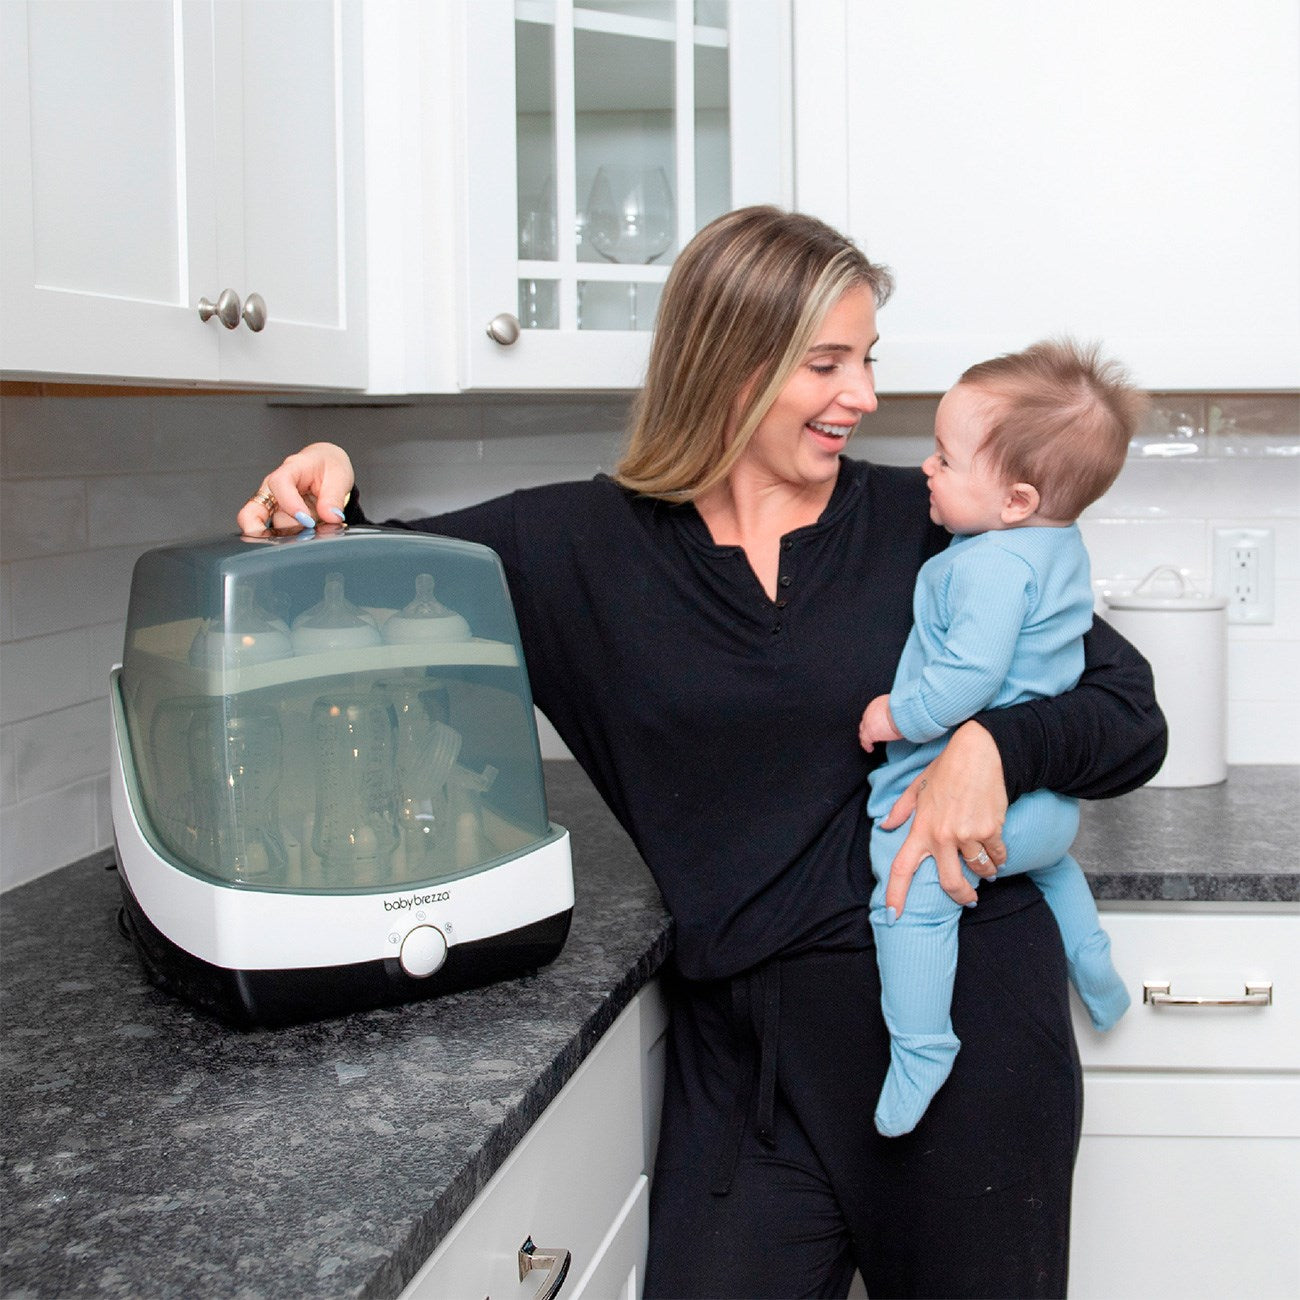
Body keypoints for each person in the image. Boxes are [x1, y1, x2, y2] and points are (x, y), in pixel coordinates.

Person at [238, 207, 1166, 1299]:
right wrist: (325, 492)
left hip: (969, 1035)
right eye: (827, 363)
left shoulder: (931, 523)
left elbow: (1129, 712)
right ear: (731, 362)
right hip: (739, 1072)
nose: (865, 395)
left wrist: (994, 744)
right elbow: (373, 584)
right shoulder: (577, 547)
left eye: (866, 359)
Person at [857, 339, 1142, 1139]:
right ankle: (1095, 967)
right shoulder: (1058, 546)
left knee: (907, 890)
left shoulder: (986, 565)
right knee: (1051, 870)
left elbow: (967, 680)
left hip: (982, 818)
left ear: (1016, 500)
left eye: (946, 459)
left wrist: (895, 716)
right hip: (1043, 817)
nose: (927, 468)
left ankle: (923, 1047)